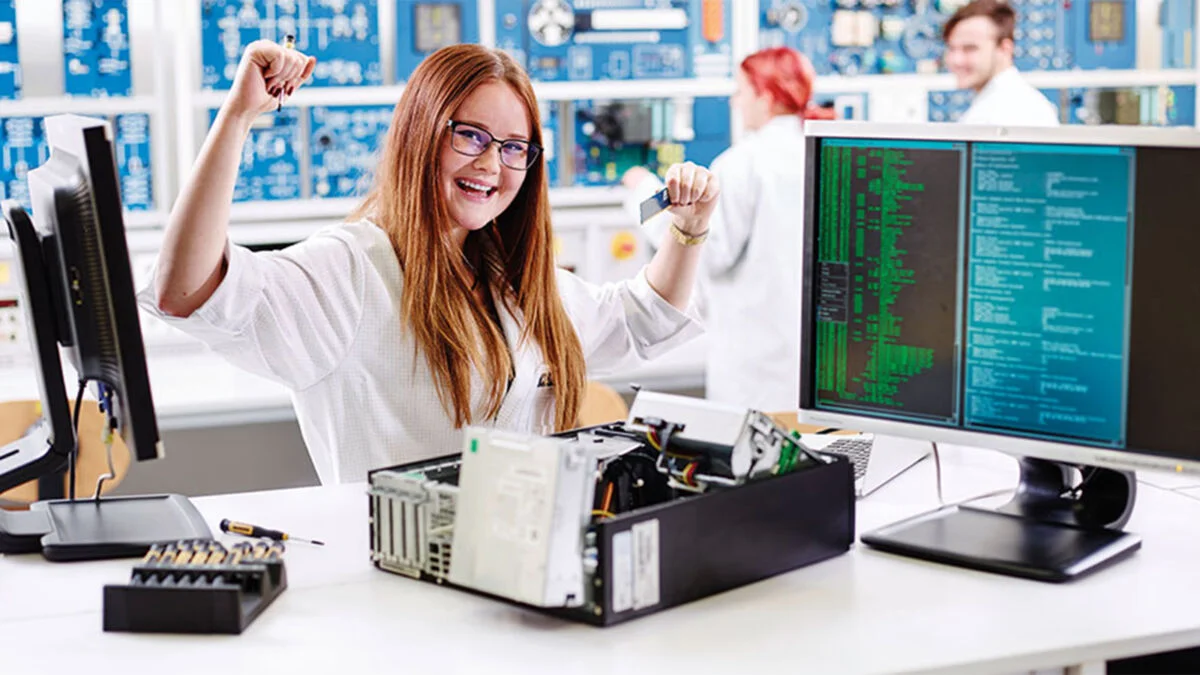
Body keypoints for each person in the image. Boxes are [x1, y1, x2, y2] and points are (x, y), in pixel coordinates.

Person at [139, 42, 719, 484]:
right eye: (471, 136)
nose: (491, 164)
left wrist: (688, 231)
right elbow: (187, 290)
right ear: (420, 133)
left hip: (518, 575)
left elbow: (641, 318)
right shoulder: (351, 272)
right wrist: (237, 116)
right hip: (397, 586)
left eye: (513, 147)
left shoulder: (512, 283)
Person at [621, 46, 833, 413]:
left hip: (758, 370)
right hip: (819, 362)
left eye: (741, 91)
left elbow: (705, 249)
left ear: (765, 97)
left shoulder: (743, 163)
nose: (736, 102)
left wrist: (642, 192)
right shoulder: (822, 151)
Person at [942, 0, 1060, 126]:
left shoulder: (1009, 112)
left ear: (1005, 49)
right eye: (951, 48)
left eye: (970, 49)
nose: (956, 60)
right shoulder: (999, 103)